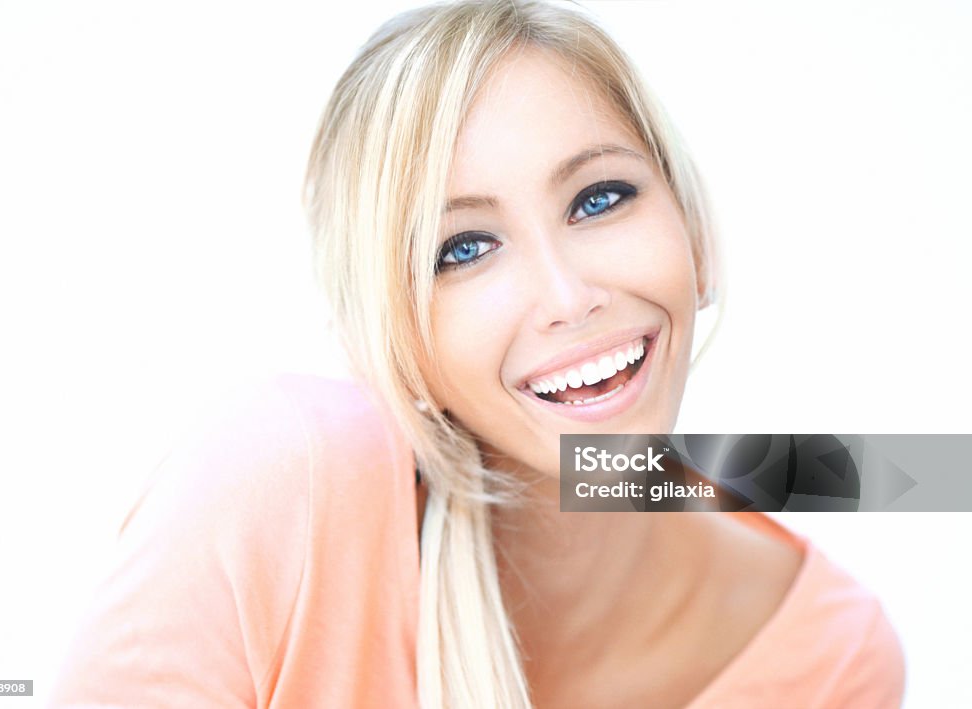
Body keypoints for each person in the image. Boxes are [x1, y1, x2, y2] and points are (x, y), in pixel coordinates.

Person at [48, 1, 905, 707]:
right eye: (462, 248)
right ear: (398, 344)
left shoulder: (831, 656)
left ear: (698, 237)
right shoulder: (278, 478)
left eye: (599, 197)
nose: (568, 298)